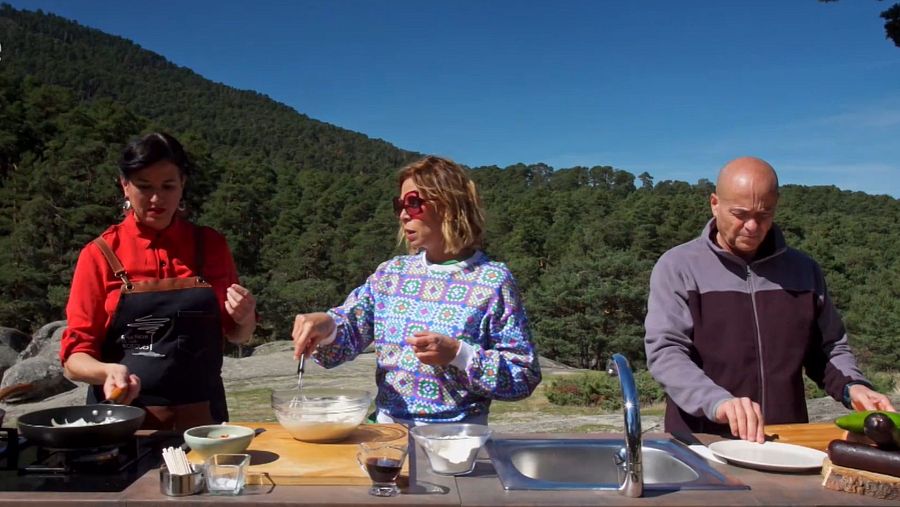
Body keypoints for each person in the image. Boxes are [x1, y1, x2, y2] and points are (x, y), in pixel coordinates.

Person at [644, 156, 894, 443]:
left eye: (764, 215)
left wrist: (854, 387)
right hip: (702, 440)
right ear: (715, 203)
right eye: (740, 214)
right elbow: (666, 352)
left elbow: (827, 349)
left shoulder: (804, 270)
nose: (752, 226)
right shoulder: (678, 266)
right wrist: (718, 402)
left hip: (783, 439)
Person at [291, 156, 541, 425]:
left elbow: (522, 375)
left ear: (449, 205)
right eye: (400, 204)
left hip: (456, 444)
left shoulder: (492, 280)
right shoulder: (391, 274)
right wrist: (326, 326)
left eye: (413, 203)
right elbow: (344, 339)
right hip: (388, 439)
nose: (403, 214)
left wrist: (459, 355)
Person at [60, 132, 257, 430]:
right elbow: (75, 358)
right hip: (121, 424)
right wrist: (106, 372)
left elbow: (238, 335)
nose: (156, 198)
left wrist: (245, 319)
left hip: (204, 423)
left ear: (183, 184)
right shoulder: (99, 254)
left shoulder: (211, 245)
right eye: (144, 186)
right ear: (124, 185)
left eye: (168, 186)